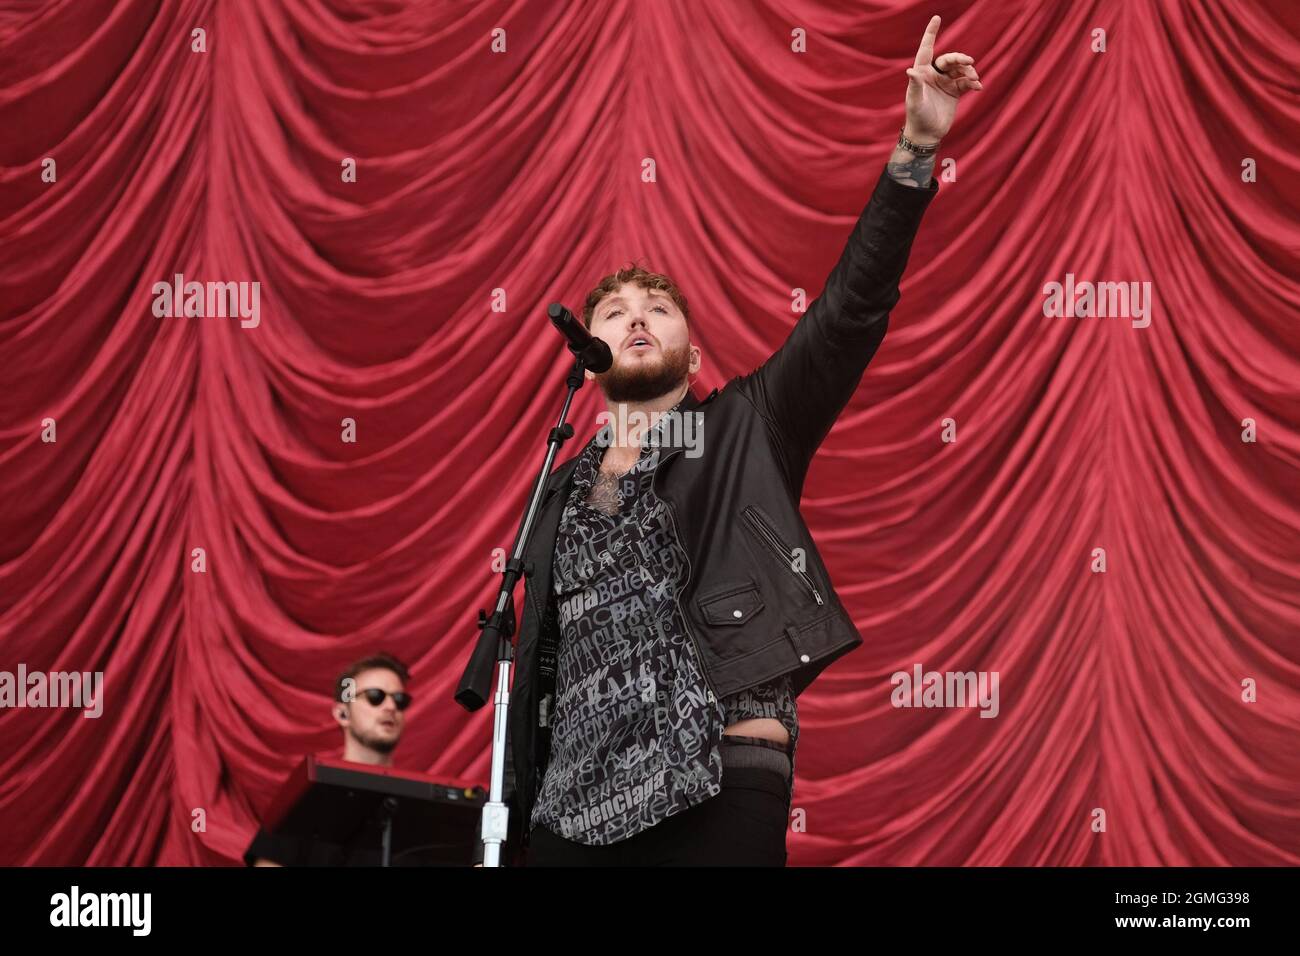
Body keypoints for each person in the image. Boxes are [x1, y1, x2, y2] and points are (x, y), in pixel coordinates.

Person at [476, 15, 981, 867]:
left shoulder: (745, 422)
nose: (636, 318)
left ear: (692, 353)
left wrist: (912, 156)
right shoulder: (559, 484)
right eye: (615, 312)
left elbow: (849, 313)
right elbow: (539, 662)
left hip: (718, 767)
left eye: (657, 309)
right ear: (590, 354)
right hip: (573, 803)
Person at [245, 653, 413, 866]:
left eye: (400, 700)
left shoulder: (419, 807)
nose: (390, 707)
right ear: (342, 713)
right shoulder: (306, 794)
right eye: (375, 696)